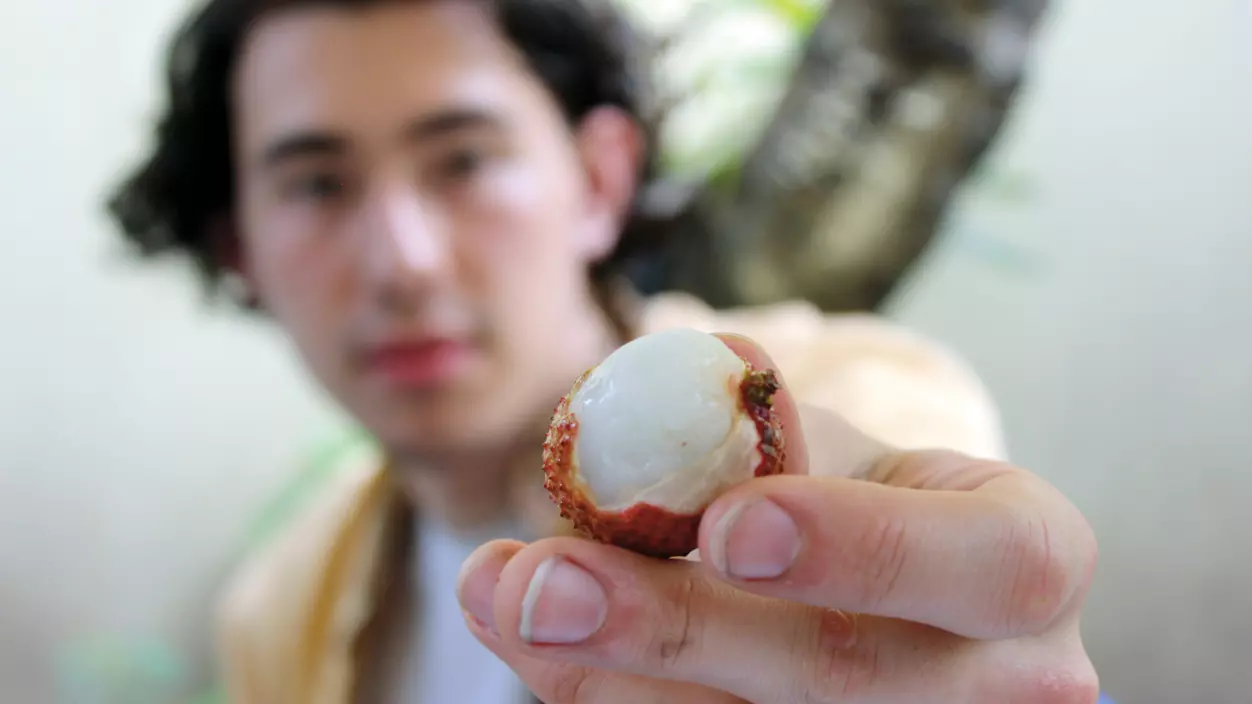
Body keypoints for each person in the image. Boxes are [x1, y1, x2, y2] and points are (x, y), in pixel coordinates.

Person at [108, 0, 1109, 701]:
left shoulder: (862, 391)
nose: (402, 262)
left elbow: (916, 518)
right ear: (241, 249)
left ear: (598, 180)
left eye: (464, 159)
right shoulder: (279, 607)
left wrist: (926, 619)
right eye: (318, 184)